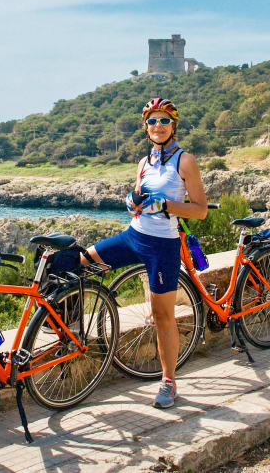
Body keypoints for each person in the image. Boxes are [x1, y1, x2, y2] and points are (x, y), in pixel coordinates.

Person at [83, 98, 207, 409]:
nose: (158, 126)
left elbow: (201, 210)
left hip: (163, 246)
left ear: (173, 125)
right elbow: (138, 197)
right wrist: (132, 201)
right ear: (146, 127)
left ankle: (168, 381)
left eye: (164, 121)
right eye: (152, 121)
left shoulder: (185, 161)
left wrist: (166, 205)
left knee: (162, 316)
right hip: (134, 236)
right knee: (80, 259)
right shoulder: (143, 163)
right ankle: (68, 323)